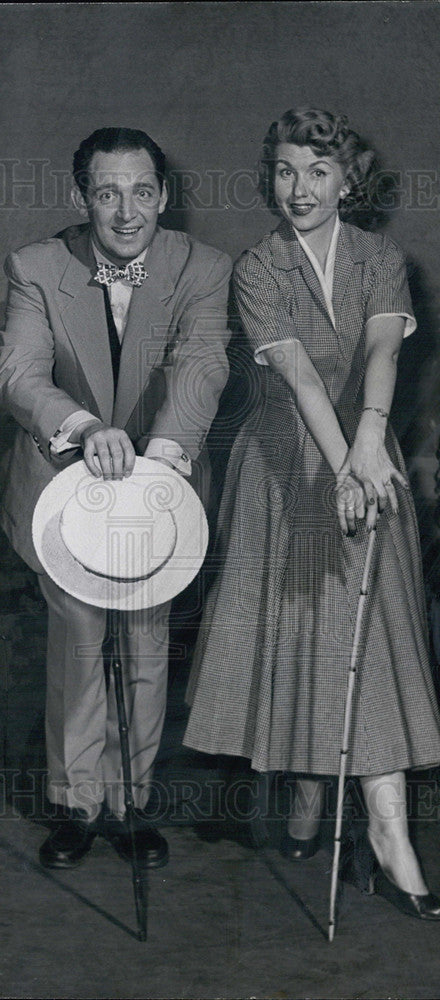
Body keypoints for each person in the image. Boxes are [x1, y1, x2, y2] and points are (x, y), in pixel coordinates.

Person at [184, 108, 440, 919]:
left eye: (319, 173)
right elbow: (296, 379)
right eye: (287, 171)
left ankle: (390, 836)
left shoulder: (380, 258)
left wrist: (369, 449)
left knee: (372, 645)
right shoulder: (257, 267)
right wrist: (342, 469)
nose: (300, 189)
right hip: (283, 471)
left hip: (365, 458)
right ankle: (304, 798)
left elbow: (385, 351)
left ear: (348, 180)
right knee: (301, 639)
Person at [0, 126, 231, 869]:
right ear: (81, 198)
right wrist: (83, 427)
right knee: (77, 637)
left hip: (162, 487)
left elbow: (202, 365)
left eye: (141, 192)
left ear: (163, 195)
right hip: (63, 488)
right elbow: (21, 374)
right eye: (107, 193)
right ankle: (76, 803)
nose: (126, 212)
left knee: (145, 641)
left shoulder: (203, 265)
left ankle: (131, 803)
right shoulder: (35, 267)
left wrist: (156, 469)